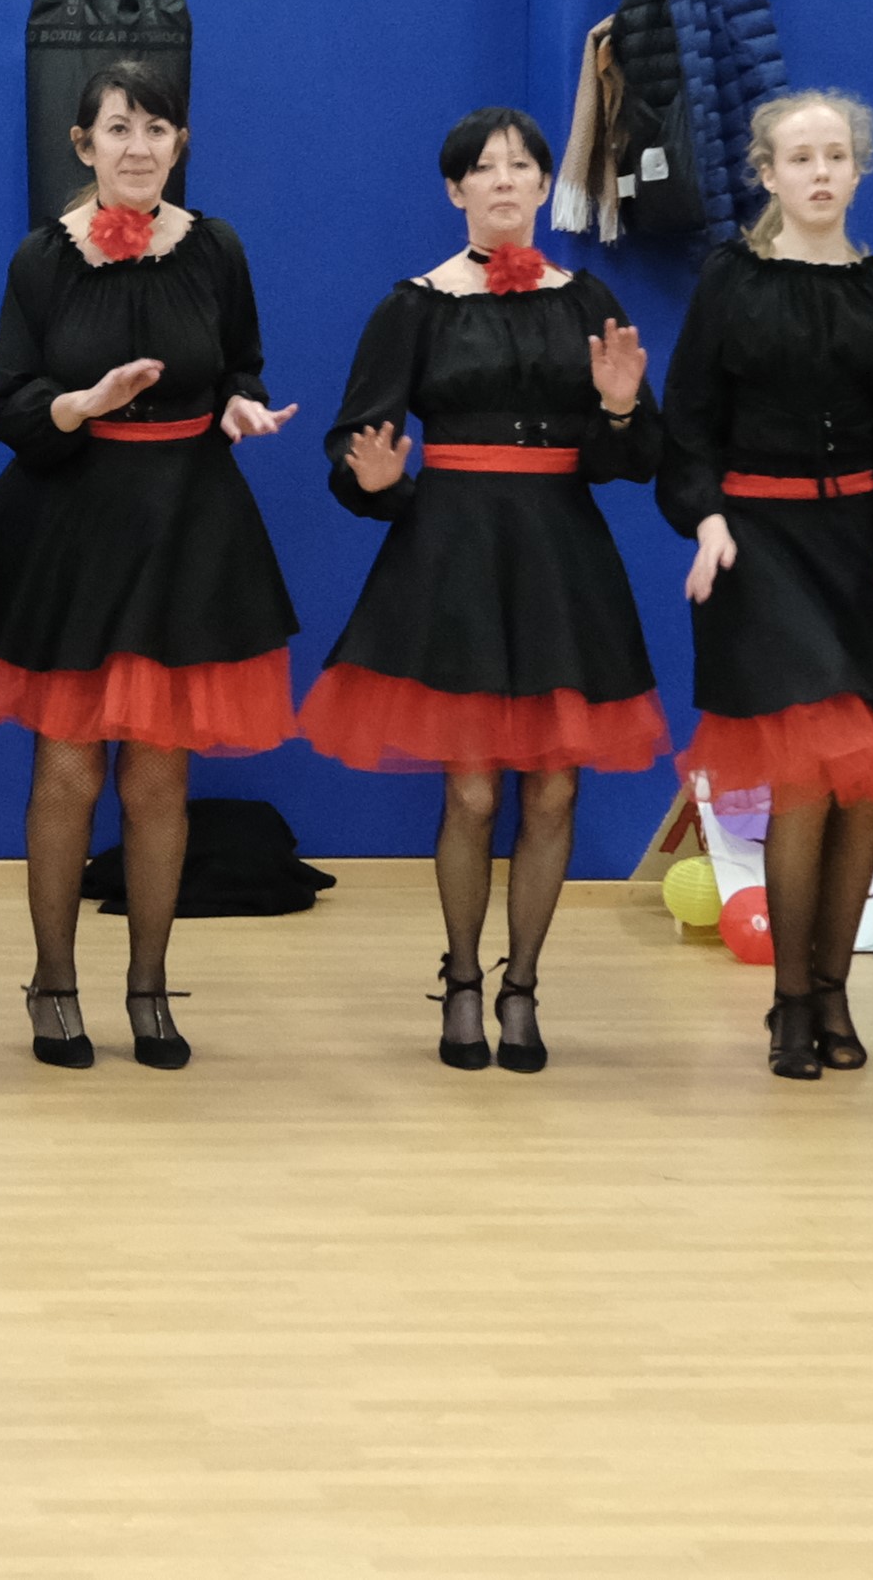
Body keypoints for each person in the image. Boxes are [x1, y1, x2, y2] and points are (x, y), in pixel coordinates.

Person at [0, 60, 299, 1071]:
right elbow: (9, 402)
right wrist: (80, 405)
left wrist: (241, 405)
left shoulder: (217, 248)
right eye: (119, 128)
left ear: (180, 144)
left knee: (161, 775)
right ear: (83, 144)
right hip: (74, 526)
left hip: (188, 527)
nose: (139, 145)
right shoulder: (43, 258)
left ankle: (150, 987)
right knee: (70, 767)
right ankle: (53, 984)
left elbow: (243, 363)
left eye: (157, 128)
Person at [304, 107, 661, 1073]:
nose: (504, 180)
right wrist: (378, 481)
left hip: (560, 557)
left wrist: (620, 410)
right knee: (469, 789)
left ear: (545, 186)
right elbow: (353, 446)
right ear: (455, 189)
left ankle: (522, 986)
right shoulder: (415, 305)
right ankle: (461, 978)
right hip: (453, 553)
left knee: (555, 787)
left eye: (521, 166)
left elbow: (636, 459)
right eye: (484, 168)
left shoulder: (587, 299)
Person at [660, 89, 873, 1082]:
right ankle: (791, 999)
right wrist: (708, 520)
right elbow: (687, 429)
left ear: (859, 168)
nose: (821, 172)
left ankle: (834, 988)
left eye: (837, 155)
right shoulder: (730, 280)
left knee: (863, 783)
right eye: (801, 158)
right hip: (759, 545)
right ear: (767, 174)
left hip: (860, 546)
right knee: (806, 768)